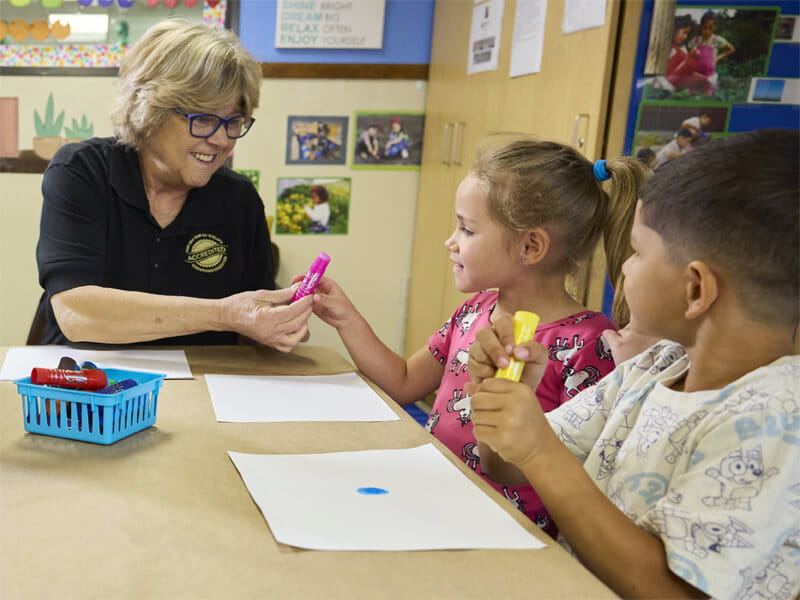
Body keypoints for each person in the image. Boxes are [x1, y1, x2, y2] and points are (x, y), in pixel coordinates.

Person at [466, 129, 799, 599]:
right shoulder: (655, 368)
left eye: (637, 253)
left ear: (696, 290)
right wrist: (506, 398)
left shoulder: (774, 417)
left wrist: (540, 450)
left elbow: (673, 592)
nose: (623, 268)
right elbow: (508, 468)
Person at [309, 133, 649, 536]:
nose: (450, 242)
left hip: (509, 533)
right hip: (434, 502)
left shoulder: (589, 343)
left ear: (530, 246)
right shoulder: (474, 311)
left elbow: (579, 474)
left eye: (467, 230)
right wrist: (346, 318)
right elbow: (402, 382)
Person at [35, 19, 313, 349]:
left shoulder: (238, 199)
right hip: (87, 381)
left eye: (233, 122)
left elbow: (254, 331)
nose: (222, 139)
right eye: (204, 119)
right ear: (149, 110)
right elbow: (78, 314)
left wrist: (280, 325)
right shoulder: (83, 171)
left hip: (205, 386)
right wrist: (225, 314)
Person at [663, 14, 712, 96]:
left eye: (687, 34)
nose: (685, 37)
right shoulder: (668, 47)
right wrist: (691, 57)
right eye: (684, 32)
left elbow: (688, 71)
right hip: (670, 79)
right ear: (675, 29)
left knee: (705, 81)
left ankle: (696, 93)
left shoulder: (682, 48)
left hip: (681, 78)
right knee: (691, 64)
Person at [688, 11, 735, 96]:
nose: (707, 31)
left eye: (710, 28)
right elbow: (689, 54)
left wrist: (719, 57)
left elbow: (731, 49)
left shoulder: (717, 40)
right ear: (701, 27)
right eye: (704, 28)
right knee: (693, 92)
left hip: (709, 73)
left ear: (715, 28)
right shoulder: (695, 40)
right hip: (696, 72)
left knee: (708, 93)